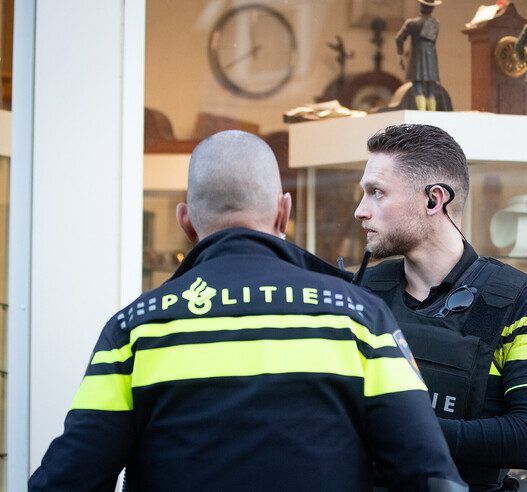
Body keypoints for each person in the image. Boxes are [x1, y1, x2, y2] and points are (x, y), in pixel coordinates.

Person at [29, 130, 466, 492]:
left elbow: (69, 481)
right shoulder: (358, 318)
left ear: (186, 222)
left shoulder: (135, 329)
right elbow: (429, 475)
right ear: (284, 212)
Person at [354, 124, 527, 492]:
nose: (361, 211)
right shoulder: (362, 293)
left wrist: (407, 429)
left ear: (434, 200)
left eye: (377, 193)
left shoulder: (519, 304)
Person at [396, 0, 442, 111]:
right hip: (431, 57)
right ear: (432, 8)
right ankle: (431, 113)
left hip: (417, 57)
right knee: (431, 90)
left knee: (417, 86)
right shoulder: (436, 23)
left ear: (421, 6)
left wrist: (400, 54)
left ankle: (421, 112)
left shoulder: (412, 23)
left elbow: (399, 39)